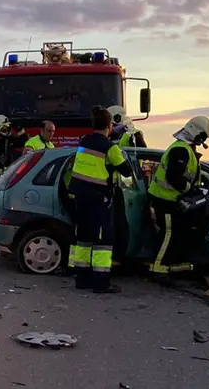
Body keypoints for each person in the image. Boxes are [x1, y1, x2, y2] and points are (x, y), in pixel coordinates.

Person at [67, 106, 132, 293]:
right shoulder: (111, 147)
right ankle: (101, 282)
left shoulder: (84, 141)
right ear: (109, 126)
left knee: (83, 239)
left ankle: (82, 279)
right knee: (102, 241)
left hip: (80, 198)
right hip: (99, 199)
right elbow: (126, 170)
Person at [147, 116, 209, 280]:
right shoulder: (181, 150)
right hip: (166, 201)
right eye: (203, 136)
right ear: (196, 132)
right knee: (168, 234)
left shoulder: (185, 149)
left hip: (170, 200)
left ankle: (171, 266)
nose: (203, 140)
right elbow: (174, 177)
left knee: (175, 233)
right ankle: (158, 269)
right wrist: (190, 191)